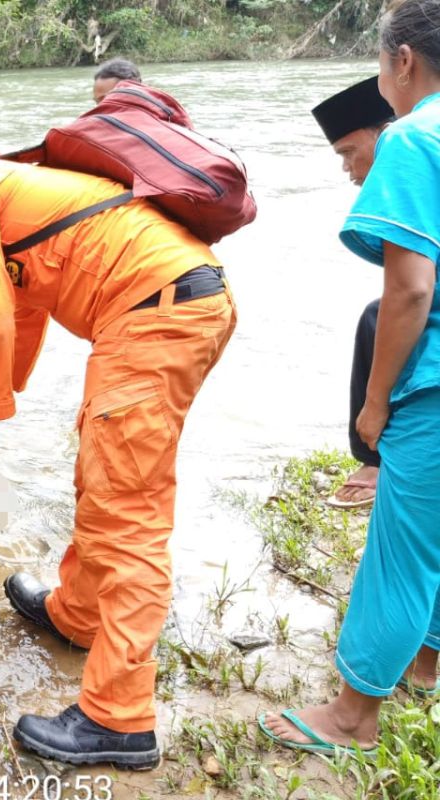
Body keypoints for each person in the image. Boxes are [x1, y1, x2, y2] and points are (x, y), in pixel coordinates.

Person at [0, 114, 236, 768]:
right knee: (103, 471)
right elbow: (20, 316)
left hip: (153, 314)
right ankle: (77, 615)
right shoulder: (10, 185)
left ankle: (121, 719)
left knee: (129, 515)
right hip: (166, 305)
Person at [259, 0, 440, 757]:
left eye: (379, 65)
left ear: (401, 61)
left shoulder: (412, 136)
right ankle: (425, 668)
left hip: (434, 385)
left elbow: (409, 290)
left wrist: (373, 406)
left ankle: (351, 718)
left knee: (399, 554)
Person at [309, 77, 396, 509]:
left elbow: (412, 290)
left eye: (348, 153)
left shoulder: (410, 150)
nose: (348, 170)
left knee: (379, 316)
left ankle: (371, 459)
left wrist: (374, 404)